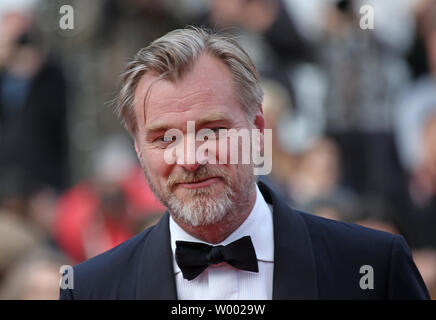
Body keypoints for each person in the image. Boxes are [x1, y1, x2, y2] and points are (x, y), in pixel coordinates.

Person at [60, 27, 429, 300]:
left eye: (212, 131)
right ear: (138, 150)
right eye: (164, 138)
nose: (190, 159)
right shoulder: (91, 290)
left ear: (257, 131)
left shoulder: (373, 267)